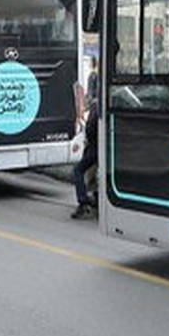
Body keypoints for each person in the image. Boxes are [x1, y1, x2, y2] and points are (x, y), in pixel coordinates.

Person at [72, 57, 100, 219]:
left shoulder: (95, 109)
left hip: (94, 148)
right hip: (100, 148)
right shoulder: (102, 106)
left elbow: (90, 131)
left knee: (78, 170)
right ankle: (94, 200)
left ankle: (83, 201)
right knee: (92, 173)